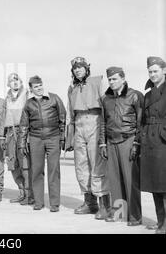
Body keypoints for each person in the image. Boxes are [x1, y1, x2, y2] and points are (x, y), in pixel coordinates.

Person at [66, 57, 111, 219]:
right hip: (79, 124)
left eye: (80, 67)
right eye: (75, 68)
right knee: (81, 165)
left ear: (86, 68)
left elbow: (107, 106)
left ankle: (105, 205)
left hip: (95, 120)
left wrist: (105, 134)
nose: (78, 70)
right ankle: (89, 202)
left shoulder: (97, 81)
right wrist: (69, 137)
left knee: (97, 164)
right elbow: (69, 112)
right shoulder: (72, 87)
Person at [99, 67, 143, 226]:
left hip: (128, 140)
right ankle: (119, 213)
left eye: (115, 79)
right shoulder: (105, 99)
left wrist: (137, 143)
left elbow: (140, 123)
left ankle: (135, 216)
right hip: (111, 141)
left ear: (123, 79)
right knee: (115, 180)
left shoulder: (135, 96)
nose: (111, 82)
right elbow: (103, 122)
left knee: (131, 180)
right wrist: (102, 143)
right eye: (109, 79)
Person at [19, 75, 66, 212]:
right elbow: (23, 125)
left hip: (53, 137)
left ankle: (55, 203)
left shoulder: (54, 98)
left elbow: (63, 118)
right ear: (31, 89)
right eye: (36, 87)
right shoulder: (29, 104)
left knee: (54, 170)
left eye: (40, 85)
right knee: (37, 170)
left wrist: (63, 138)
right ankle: (38, 202)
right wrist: (22, 143)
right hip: (35, 139)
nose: (39, 88)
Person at [141, 56, 166, 234]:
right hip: (149, 140)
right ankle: (160, 222)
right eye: (150, 71)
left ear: (164, 70)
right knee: (154, 184)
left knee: (164, 184)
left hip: (163, 140)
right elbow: (142, 120)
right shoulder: (148, 94)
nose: (153, 74)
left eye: (156, 71)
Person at [1, 73, 31, 205]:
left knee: (24, 163)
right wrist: (2, 136)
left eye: (17, 80)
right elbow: (3, 118)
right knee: (13, 164)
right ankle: (22, 192)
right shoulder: (6, 99)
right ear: (8, 84)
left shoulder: (27, 94)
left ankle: (29, 194)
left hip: (23, 131)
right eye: (12, 81)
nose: (15, 82)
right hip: (9, 133)